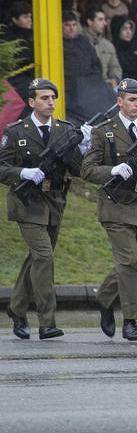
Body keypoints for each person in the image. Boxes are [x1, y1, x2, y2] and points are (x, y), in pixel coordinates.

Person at [82, 78, 137, 341]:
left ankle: (104, 298)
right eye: (131, 99)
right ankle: (130, 321)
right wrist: (112, 170)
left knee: (136, 264)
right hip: (116, 204)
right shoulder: (103, 131)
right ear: (119, 102)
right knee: (128, 262)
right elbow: (87, 169)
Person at [1, 79, 81, 339]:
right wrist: (22, 172)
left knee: (36, 258)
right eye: (44, 98)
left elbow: (79, 169)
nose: (50, 103)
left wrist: (84, 147)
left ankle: (16, 308)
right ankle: (47, 321)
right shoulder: (16, 132)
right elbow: (1, 167)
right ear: (31, 102)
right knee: (44, 256)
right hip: (27, 203)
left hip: (54, 201)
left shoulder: (65, 130)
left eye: (53, 98)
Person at [62, 9, 117, 124]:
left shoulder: (83, 41)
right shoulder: (57, 43)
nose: (71, 28)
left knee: (111, 103)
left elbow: (96, 64)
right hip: (72, 87)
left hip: (91, 83)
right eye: (67, 25)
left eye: (74, 25)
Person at [82, 8, 121, 85]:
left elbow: (115, 67)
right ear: (90, 22)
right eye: (100, 20)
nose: (105, 23)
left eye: (105, 20)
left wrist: (115, 79)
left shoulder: (108, 45)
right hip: (86, 86)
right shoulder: (79, 43)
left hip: (106, 86)